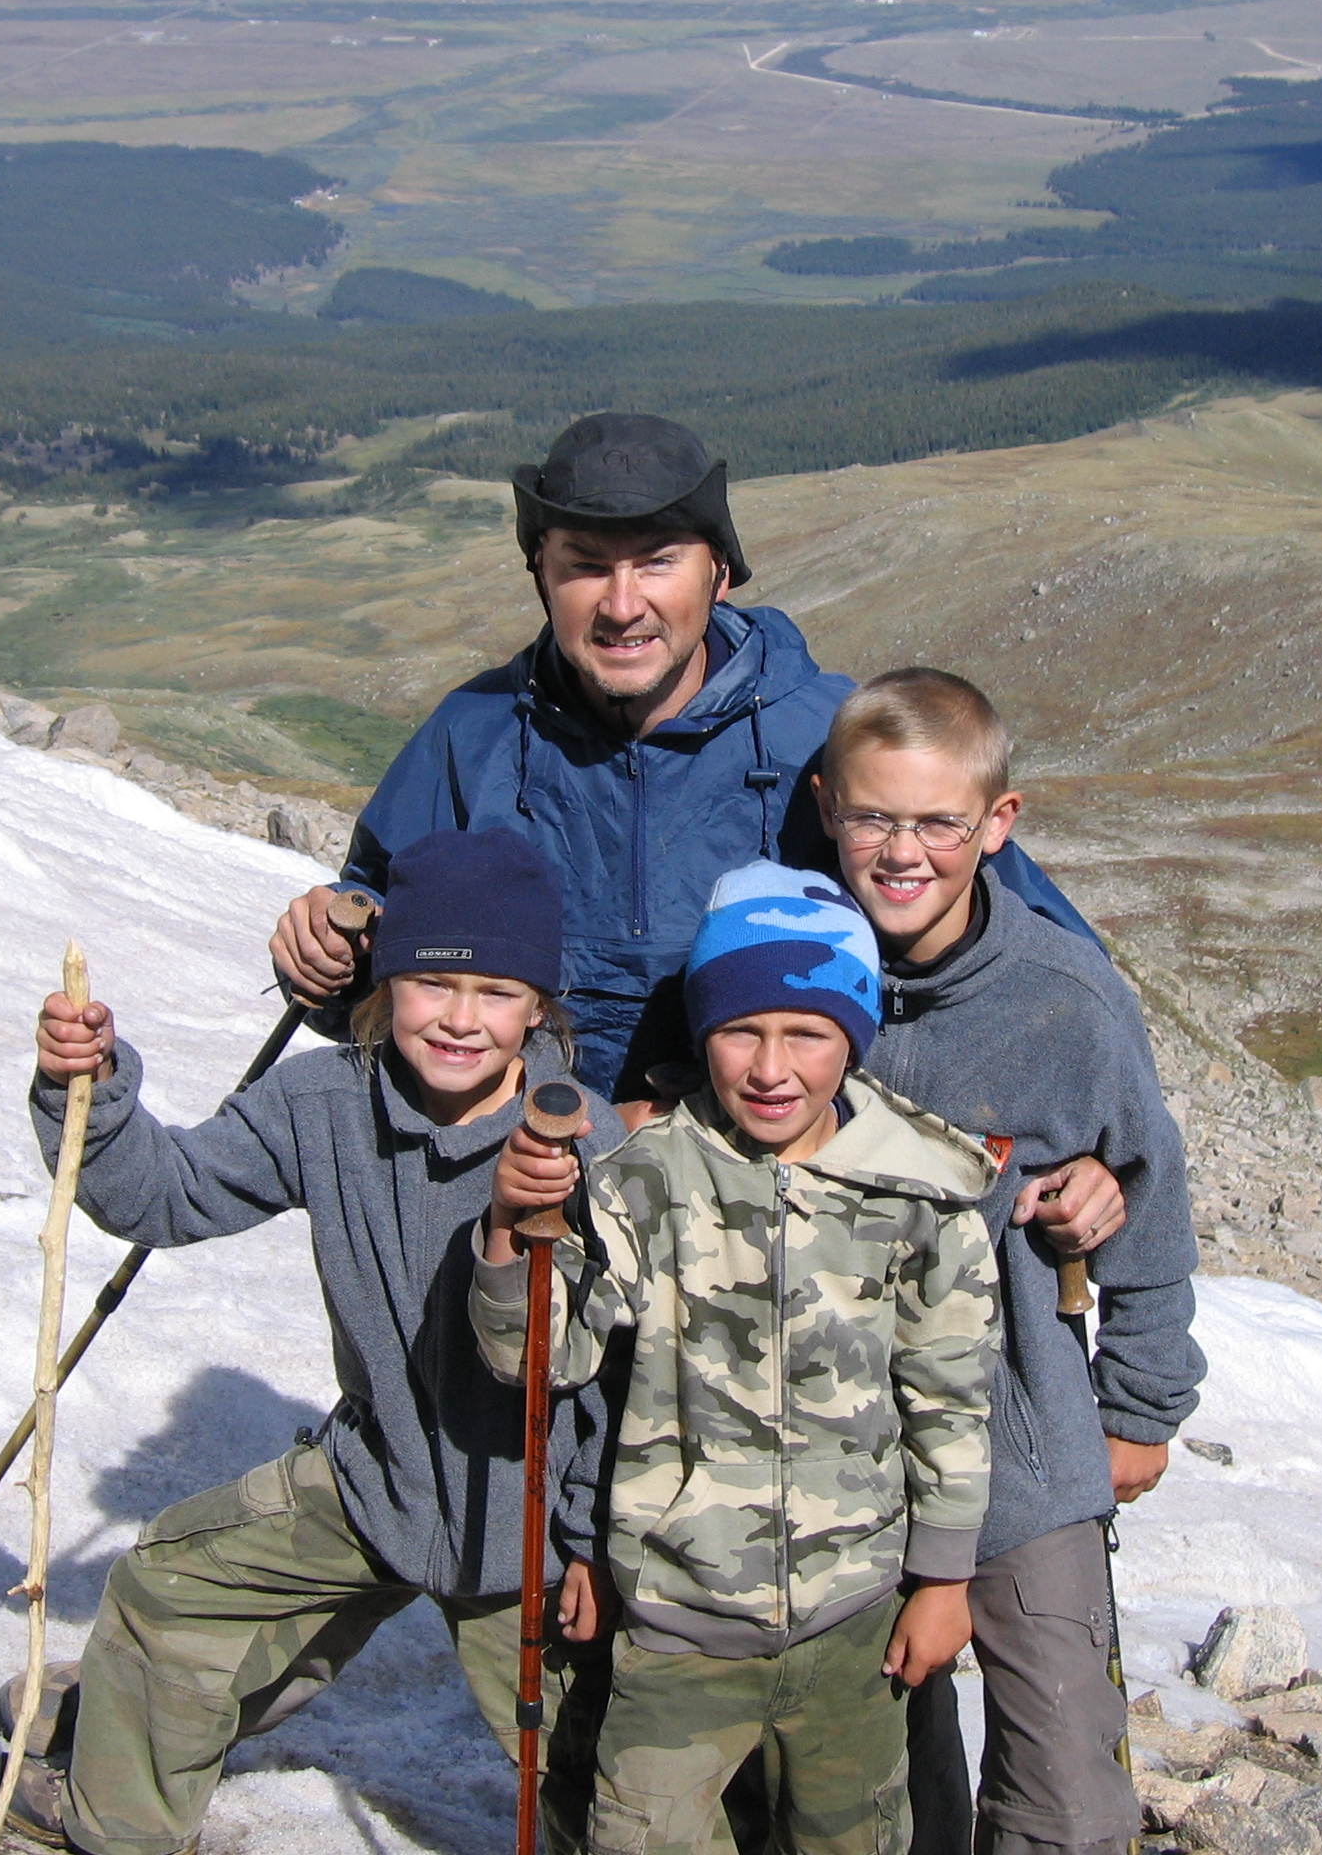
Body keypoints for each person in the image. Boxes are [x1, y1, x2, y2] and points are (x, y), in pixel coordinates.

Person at [0, 827, 625, 1855]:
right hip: (377, 1476)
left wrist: (591, 1540)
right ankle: (115, 1815)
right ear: (386, 981)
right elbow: (166, 1195)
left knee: (610, 1793)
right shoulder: (323, 1102)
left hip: (533, 1531)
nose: (460, 1018)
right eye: (430, 982)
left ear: (538, 1007)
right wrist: (84, 1092)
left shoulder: (587, 1142)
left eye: (497, 992)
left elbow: (624, 1377)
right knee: (167, 1591)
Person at [264, 411, 1095, 1112]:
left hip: (765, 1197)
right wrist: (329, 954)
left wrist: (1091, 1145)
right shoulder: (471, 734)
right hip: (522, 1176)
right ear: (540, 574)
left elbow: (1029, 958)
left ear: (719, 573)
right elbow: (382, 949)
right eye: (586, 566)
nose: (623, 605)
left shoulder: (828, 736)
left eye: (659, 561)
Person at [471, 863, 1001, 1855]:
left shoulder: (919, 1193)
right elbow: (542, 1360)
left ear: (854, 1036)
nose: (770, 1067)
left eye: (808, 1033)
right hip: (676, 1621)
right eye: (739, 1031)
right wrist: (510, 1232)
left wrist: (943, 1579)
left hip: (857, 1616)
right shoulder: (644, 1179)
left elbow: (951, 1394)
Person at [814, 669, 1203, 1855]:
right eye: (874, 818)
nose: (903, 852)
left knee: (1065, 1786)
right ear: (827, 808)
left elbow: (1149, 1189)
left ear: (998, 824)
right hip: (840, 1448)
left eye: (939, 822)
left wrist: (1138, 1409)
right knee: (876, 1775)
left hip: (1022, 1440)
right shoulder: (784, 975)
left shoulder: (1064, 998)